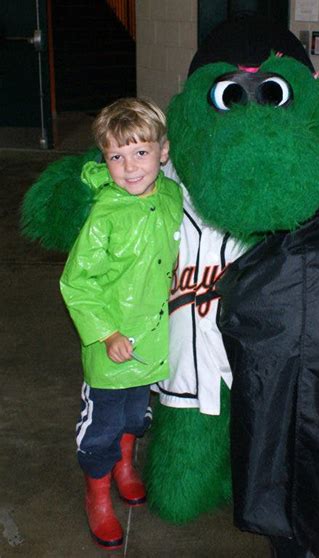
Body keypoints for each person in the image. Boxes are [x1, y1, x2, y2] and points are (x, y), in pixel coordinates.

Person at [59, 97, 183, 550]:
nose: (130, 168)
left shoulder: (170, 196)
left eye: (140, 153)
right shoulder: (104, 214)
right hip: (111, 348)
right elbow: (76, 283)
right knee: (102, 427)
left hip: (152, 341)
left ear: (163, 152)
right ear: (104, 159)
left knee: (137, 414)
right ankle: (98, 495)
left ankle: (126, 466)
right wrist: (106, 333)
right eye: (116, 156)